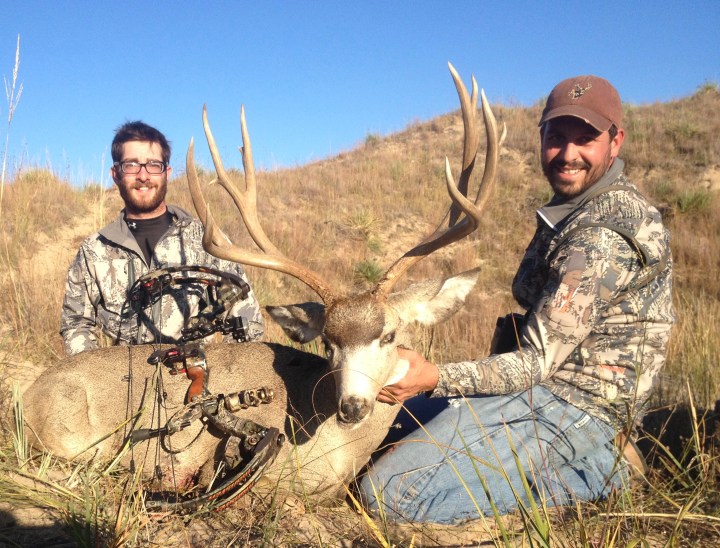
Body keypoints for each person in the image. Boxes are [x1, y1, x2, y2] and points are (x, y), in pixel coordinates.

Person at [359, 76, 674, 524]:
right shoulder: (573, 207)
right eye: (556, 137)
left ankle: (603, 471)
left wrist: (434, 377)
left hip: (578, 404)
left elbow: (535, 363)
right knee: (387, 428)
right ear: (541, 137)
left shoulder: (601, 237)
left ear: (615, 141)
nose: (568, 154)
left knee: (390, 493)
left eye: (585, 139)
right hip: (537, 387)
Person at [60, 121, 264, 355]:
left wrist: (218, 369)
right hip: (121, 374)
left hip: (196, 374)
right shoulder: (94, 250)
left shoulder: (207, 240)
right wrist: (101, 372)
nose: (143, 175)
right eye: (131, 165)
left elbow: (247, 321)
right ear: (115, 174)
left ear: (167, 173)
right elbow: (76, 324)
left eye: (153, 165)